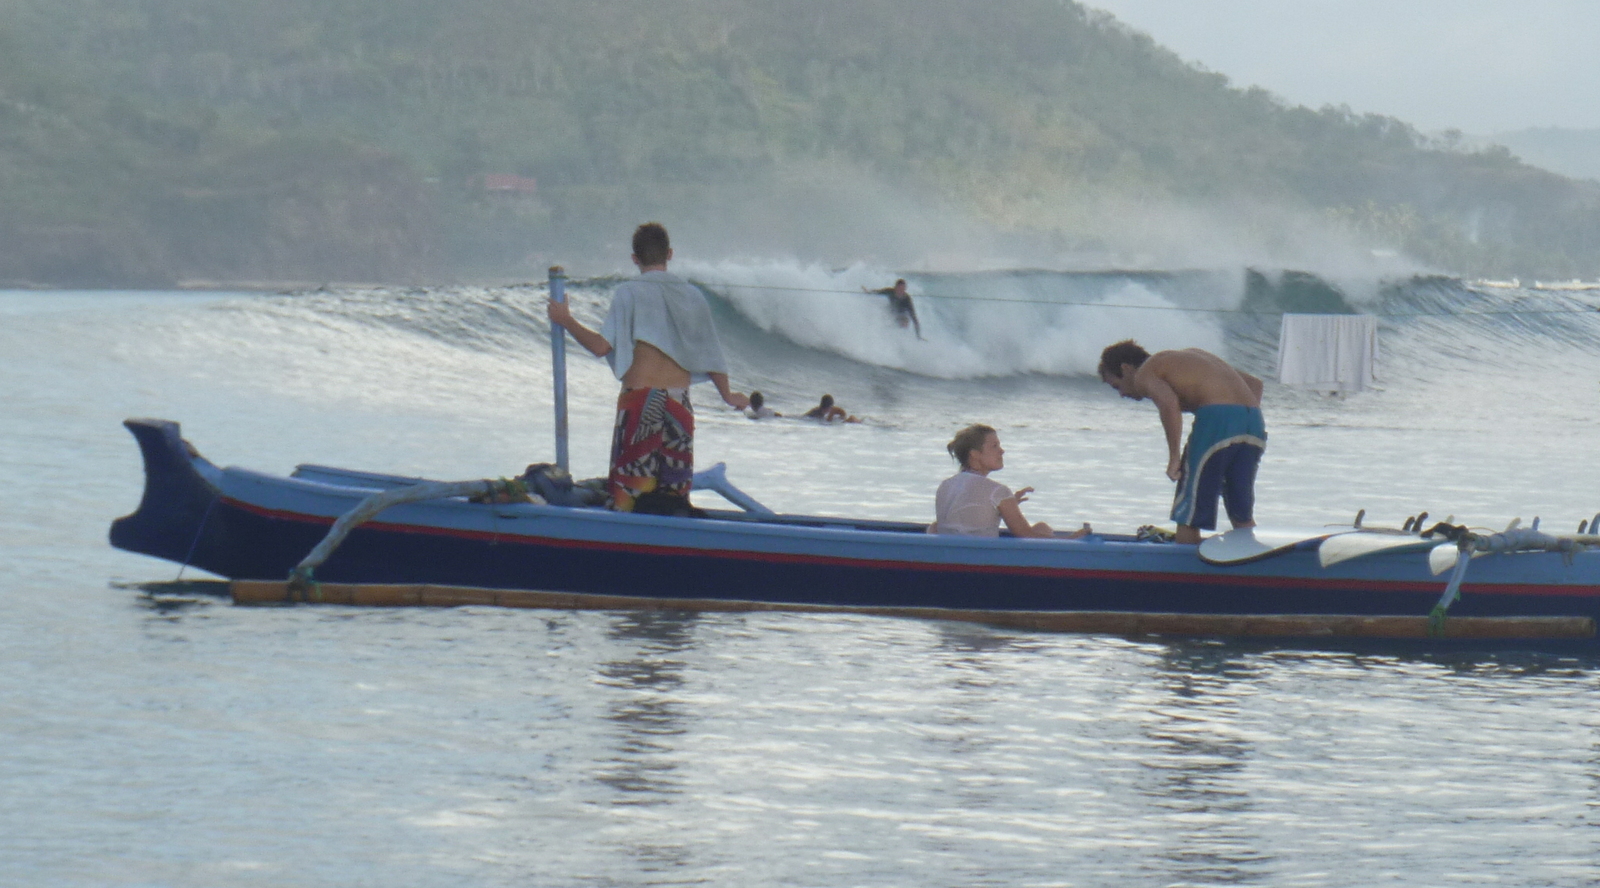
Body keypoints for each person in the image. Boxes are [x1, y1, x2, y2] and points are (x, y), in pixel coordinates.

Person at [547, 222, 749, 512]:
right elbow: (710, 353)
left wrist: (565, 319)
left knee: (629, 499)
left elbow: (601, 347)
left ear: (634, 258)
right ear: (670, 254)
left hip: (641, 401)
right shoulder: (693, 295)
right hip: (678, 403)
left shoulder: (628, 292)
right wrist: (728, 395)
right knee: (674, 501)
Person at [1097, 339, 1266, 545]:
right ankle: (1251, 555)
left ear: (1126, 368)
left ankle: (1187, 560)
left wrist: (1174, 458)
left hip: (1218, 420)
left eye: (1117, 386)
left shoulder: (1145, 373)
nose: (1122, 394)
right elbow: (1255, 384)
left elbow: (1169, 405)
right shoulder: (1190, 358)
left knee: (1188, 513)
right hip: (1253, 421)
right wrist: (1238, 419)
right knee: (1240, 511)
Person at [930, 424, 1091, 539]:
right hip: (985, 560)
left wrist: (1007, 506)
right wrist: (1071, 539)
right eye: (994, 446)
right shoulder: (997, 491)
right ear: (974, 454)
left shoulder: (945, 486)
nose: (1002, 451)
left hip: (949, 557)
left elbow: (957, 521)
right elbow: (1026, 535)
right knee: (1042, 528)